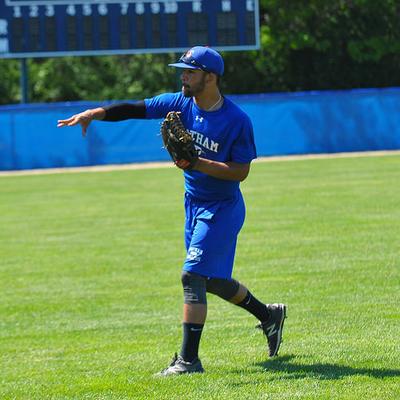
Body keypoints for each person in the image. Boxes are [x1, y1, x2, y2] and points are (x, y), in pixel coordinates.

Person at [57, 46, 287, 376]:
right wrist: (95, 113)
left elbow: (240, 172)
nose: (183, 76)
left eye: (190, 71)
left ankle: (188, 361)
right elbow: (136, 109)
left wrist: (197, 162)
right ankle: (268, 315)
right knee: (212, 280)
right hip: (192, 204)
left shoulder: (236, 120)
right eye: (182, 70)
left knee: (191, 275)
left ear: (210, 77)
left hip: (221, 208)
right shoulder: (179, 104)